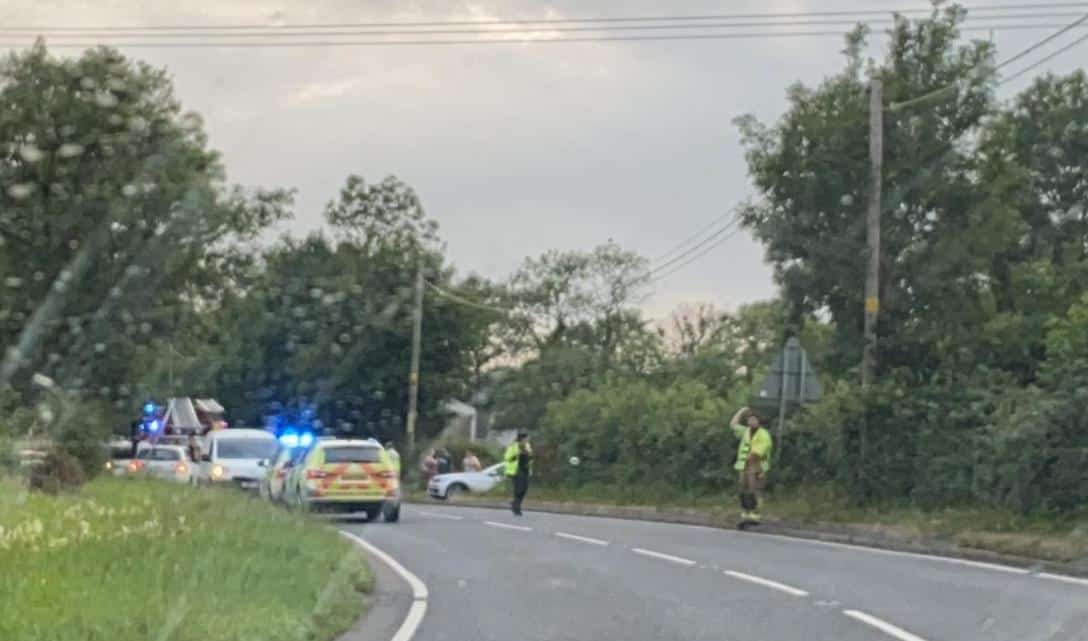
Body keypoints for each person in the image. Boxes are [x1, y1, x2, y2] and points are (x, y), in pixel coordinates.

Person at [729, 406, 773, 525]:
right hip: (744, 465)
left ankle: (755, 515)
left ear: (759, 421)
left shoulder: (764, 435)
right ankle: (745, 513)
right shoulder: (745, 432)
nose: (751, 421)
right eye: (749, 419)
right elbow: (733, 424)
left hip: (757, 466)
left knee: (755, 490)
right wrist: (741, 411)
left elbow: (757, 454)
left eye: (754, 419)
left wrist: (752, 470)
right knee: (744, 490)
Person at [504, 433, 533, 516]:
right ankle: (516, 508)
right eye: (526, 439)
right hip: (516, 471)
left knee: (524, 489)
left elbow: (530, 456)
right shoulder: (513, 446)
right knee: (519, 489)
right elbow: (507, 457)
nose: (527, 440)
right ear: (521, 439)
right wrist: (516, 455)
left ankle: (515, 503)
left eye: (527, 439)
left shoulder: (527, 446)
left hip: (526, 470)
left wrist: (530, 456)